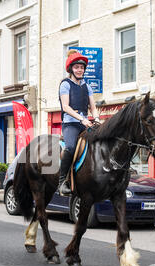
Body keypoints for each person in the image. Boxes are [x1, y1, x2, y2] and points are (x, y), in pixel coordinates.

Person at [58, 49, 100, 196]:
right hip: (70, 123)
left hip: (85, 123)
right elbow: (66, 107)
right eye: (76, 67)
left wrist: (97, 118)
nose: (80, 70)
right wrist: (82, 119)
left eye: (82, 67)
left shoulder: (87, 86)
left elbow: (93, 108)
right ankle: (62, 181)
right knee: (70, 147)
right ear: (71, 69)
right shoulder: (65, 84)